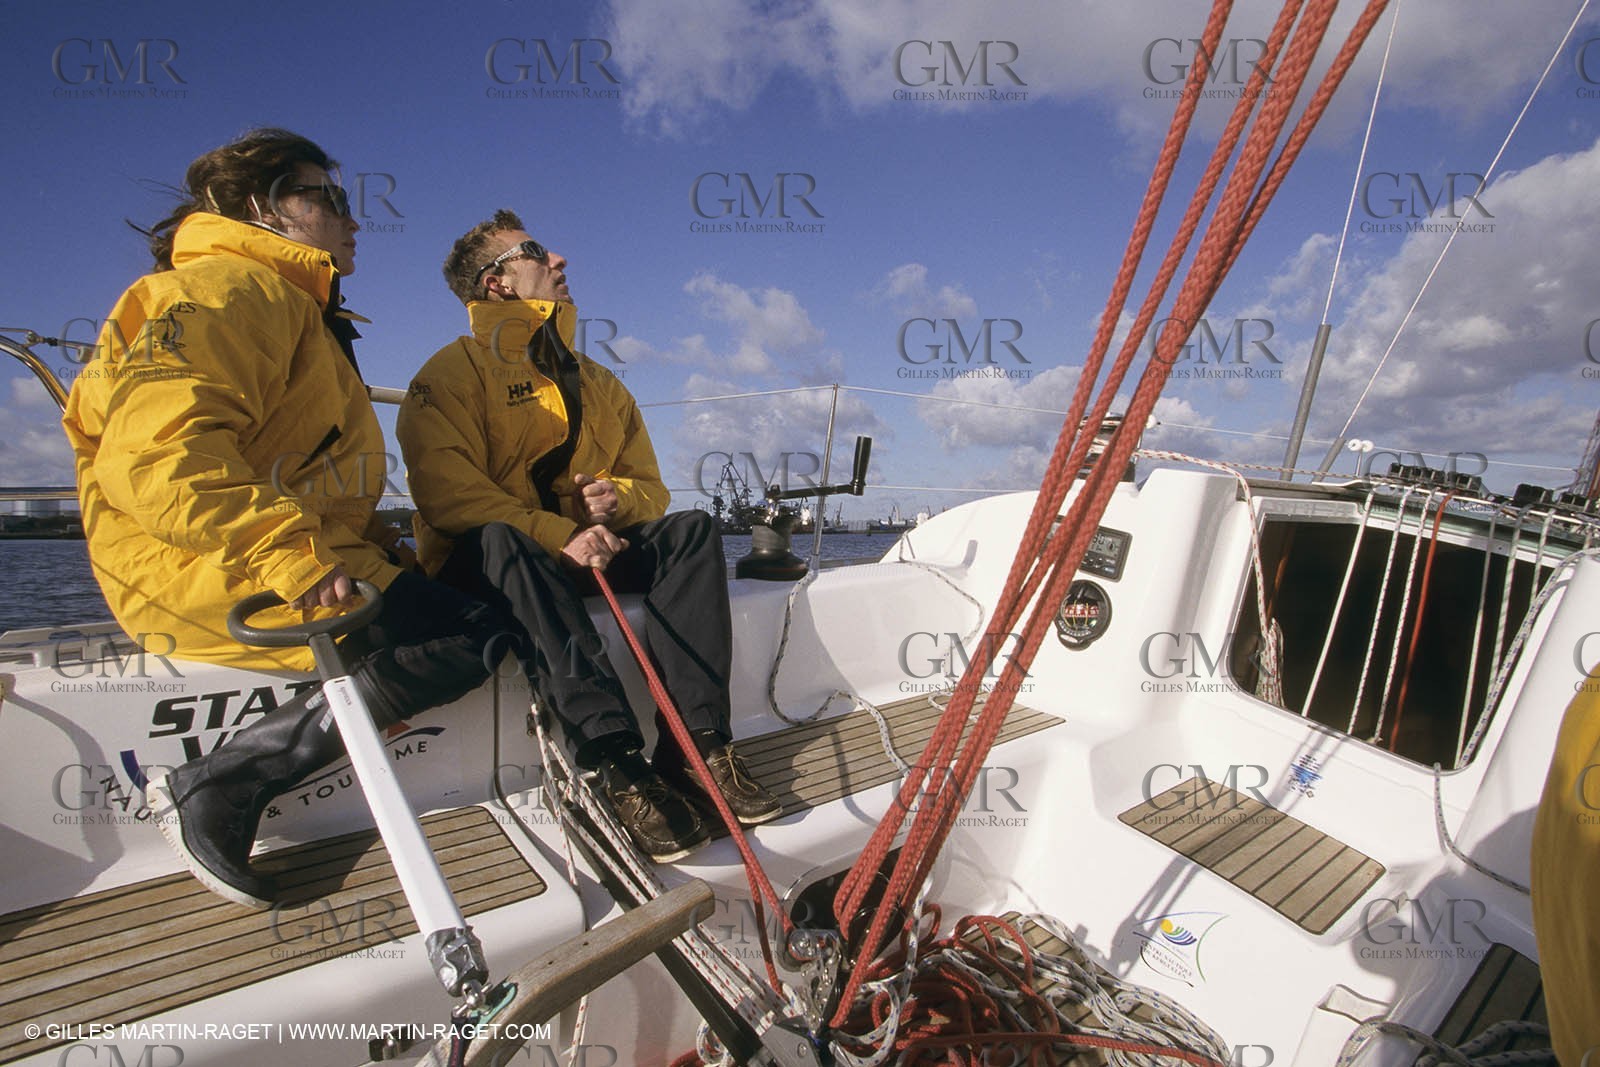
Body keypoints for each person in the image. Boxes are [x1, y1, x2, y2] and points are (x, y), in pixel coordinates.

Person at [62, 128, 508, 909]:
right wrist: (298, 561)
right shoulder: (221, 291)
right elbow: (160, 458)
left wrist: (377, 545)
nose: (352, 217)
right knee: (467, 633)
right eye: (329, 199)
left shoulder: (304, 315)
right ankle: (217, 785)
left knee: (477, 613)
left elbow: (318, 475)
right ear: (266, 209)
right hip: (191, 560)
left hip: (266, 545)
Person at [395, 210, 781, 862]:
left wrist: (615, 498)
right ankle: (614, 766)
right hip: (488, 566)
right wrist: (557, 532)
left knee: (690, 529)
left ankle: (696, 749)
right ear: (496, 285)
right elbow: (449, 496)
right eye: (537, 251)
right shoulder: (446, 378)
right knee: (501, 539)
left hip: (575, 552)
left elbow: (650, 489)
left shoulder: (598, 383)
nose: (561, 258)